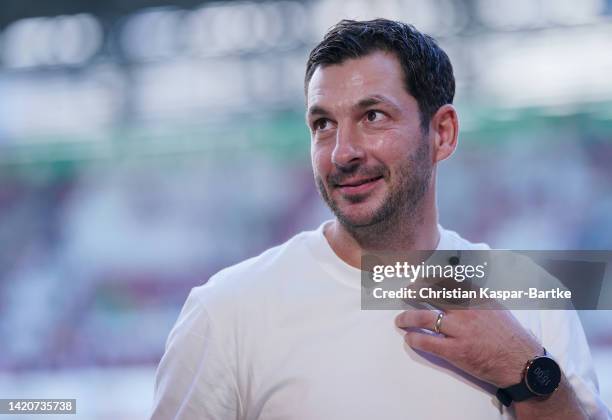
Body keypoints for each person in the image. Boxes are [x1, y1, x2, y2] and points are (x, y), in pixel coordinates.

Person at [150, 19, 609, 419]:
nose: (341, 152)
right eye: (323, 124)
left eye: (372, 116)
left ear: (442, 133)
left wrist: (527, 371)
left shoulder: (530, 294)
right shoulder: (228, 311)